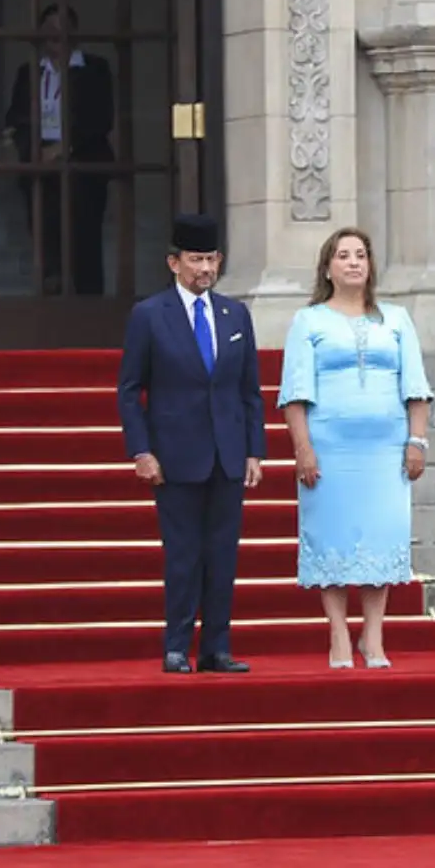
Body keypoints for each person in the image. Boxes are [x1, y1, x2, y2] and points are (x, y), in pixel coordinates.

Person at [116, 214, 267, 674]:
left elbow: (250, 391)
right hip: (175, 455)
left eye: (211, 259)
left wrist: (254, 450)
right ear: (174, 262)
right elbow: (129, 390)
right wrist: (141, 451)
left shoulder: (235, 315)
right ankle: (177, 645)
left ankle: (217, 647)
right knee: (183, 555)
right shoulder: (149, 315)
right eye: (196, 259)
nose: (205, 268)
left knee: (223, 555)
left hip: (226, 454)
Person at [279, 227, 434, 669]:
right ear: (327, 267)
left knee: (380, 537)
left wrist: (416, 441)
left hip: (385, 450)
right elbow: (294, 393)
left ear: (370, 266)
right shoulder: (309, 321)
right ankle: (338, 635)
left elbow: (416, 388)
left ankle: (374, 636)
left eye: (360, 255)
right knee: (332, 535)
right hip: (330, 447)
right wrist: (303, 448)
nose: (353, 262)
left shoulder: (397, 319)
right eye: (343, 255)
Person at [6, 3, 115, 296]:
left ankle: (89, 307)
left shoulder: (94, 69)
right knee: (45, 239)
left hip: (83, 164)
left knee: (84, 240)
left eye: (62, 27)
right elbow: (16, 118)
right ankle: (52, 299)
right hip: (40, 167)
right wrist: (32, 151)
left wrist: (63, 148)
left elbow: (100, 119)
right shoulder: (29, 72)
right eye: (49, 28)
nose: (56, 34)